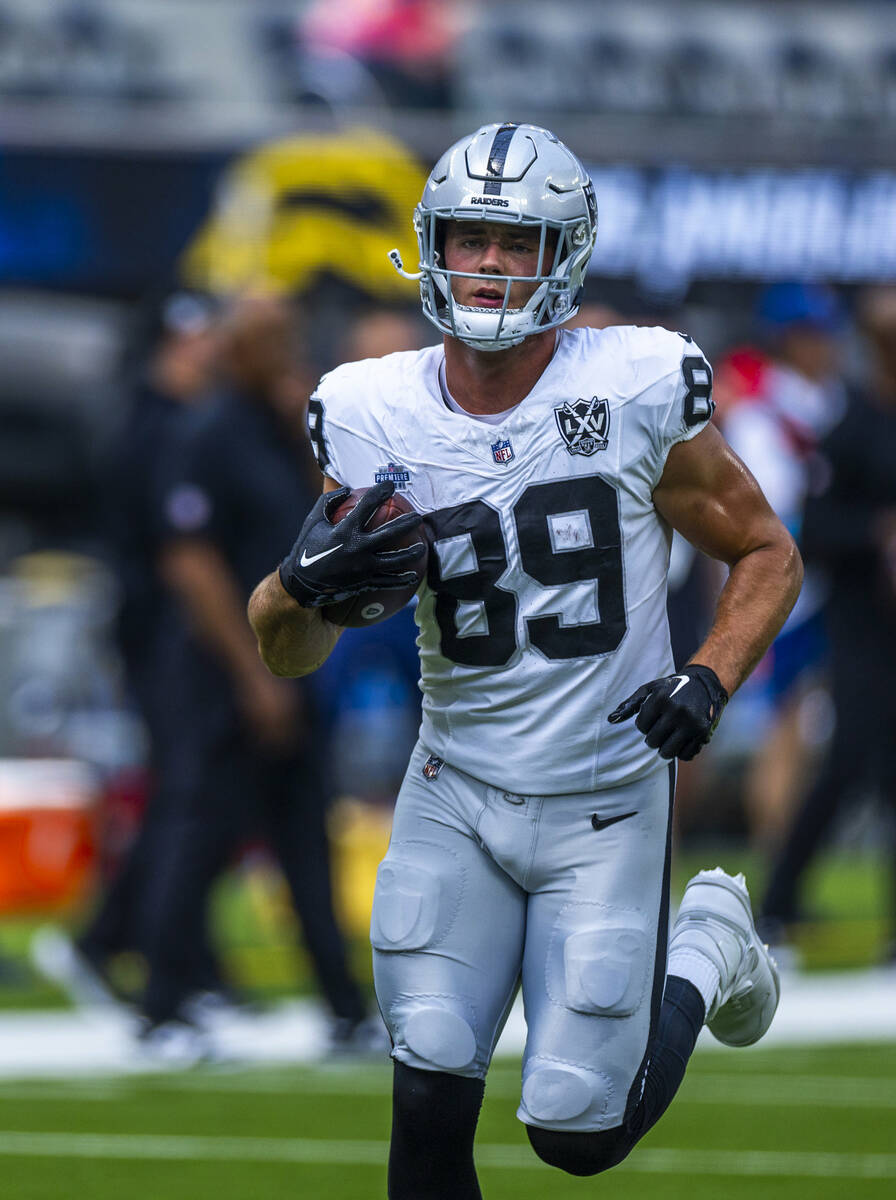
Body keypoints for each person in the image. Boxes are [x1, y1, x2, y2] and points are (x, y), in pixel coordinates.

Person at [248, 124, 802, 1193]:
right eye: (468, 237)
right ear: (429, 241)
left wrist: (708, 674)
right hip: (452, 787)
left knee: (574, 1134)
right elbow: (288, 649)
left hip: (603, 798)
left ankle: (706, 944)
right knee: (424, 1094)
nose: (487, 264)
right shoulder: (365, 410)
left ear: (563, 255)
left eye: (515, 243)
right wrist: (296, 586)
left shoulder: (636, 382)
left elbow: (764, 550)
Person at [141, 290, 379, 1056]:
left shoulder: (282, 432)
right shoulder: (205, 432)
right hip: (223, 670)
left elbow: (324, 513)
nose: (284, 352)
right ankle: (163, 1006)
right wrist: (251, 678)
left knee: (305, 836)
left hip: (289, 660)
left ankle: (344, 1007)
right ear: (236, 348)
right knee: (200, 834)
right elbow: (191, 565)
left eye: (289, 338)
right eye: (268, 340)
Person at [31, 291, 227, 1010]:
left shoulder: (185, 420)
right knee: (184, 793)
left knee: (204, 796)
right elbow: (169, 550)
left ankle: (182, 953)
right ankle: (111, 937)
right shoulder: (153, 426)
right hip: (162, 636)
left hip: (181, 635)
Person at [759, 286, 896, 959]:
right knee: (848, 761)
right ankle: (778, 904)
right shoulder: (853, 427)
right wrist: (878, 533)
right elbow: (813, 531)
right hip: (863, 618)